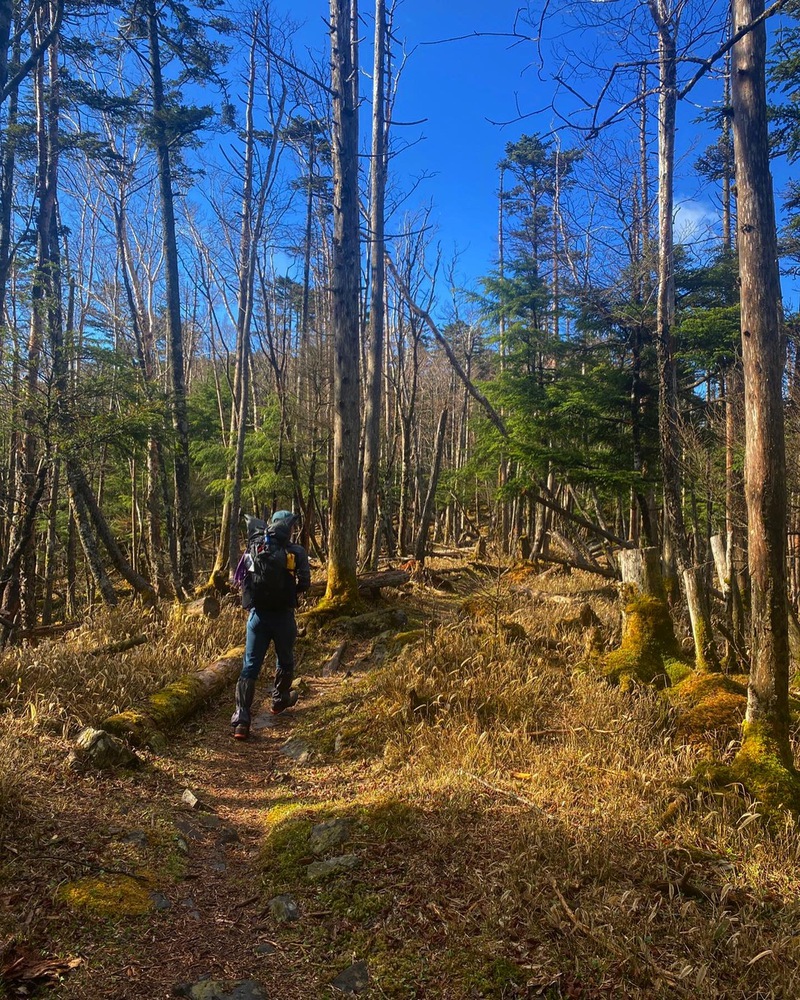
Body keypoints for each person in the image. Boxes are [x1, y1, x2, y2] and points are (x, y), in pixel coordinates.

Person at [230, 510, 311, 740]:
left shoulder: (254, 548)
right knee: (285, 659)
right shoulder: (296, 551)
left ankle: (241, 721)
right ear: (288, 527)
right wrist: (290, 591)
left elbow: (242, 580)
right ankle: (278, 701)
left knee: (250, 665)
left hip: (257, 617)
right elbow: (305, 582)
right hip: (283, 616)